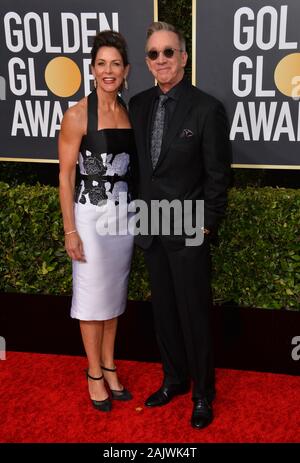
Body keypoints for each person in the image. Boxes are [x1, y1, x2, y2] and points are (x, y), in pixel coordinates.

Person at [129, 22, 231, 429]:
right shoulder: (137, 104)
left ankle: (204, 393)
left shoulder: (206, 108)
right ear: (148, 62)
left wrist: (206, 225)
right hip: (151, 227)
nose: (161, 60)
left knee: (194, 315)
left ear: (183, 58)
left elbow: (218, 175)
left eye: (168, 52)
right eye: (153, 54)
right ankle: (174, 379)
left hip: (188, 226)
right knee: (165, 313)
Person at [58, 30, 135, 412]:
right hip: (90, 218)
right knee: (91, 299)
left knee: (113, 297)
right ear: (91, 70)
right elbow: (66, 176)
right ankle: (93, 372)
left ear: (126, 70)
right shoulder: (75, 115)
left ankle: (109, 364)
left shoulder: (128, 111)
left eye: (115, 64)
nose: (109, 71)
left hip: (125, 219)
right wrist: (70, 229)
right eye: (101, 64)